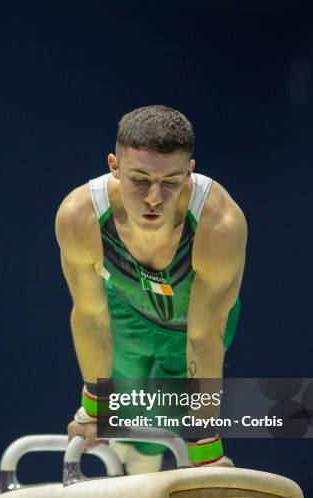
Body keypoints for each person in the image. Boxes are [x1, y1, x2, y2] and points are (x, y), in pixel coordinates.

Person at [55, 105, 247, 474]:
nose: (154, 198)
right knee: (121, 399)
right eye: (139, 180)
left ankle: (140, 465)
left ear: (190, 173)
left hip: (191, 322)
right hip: (126, 309)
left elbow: (203, 337)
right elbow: (91, 316)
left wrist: (206, 445)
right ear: (114, 166)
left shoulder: (219, 225)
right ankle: (130, 465)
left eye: (171, 182)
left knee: (158, 418)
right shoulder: (80, 216)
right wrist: (94, 409)